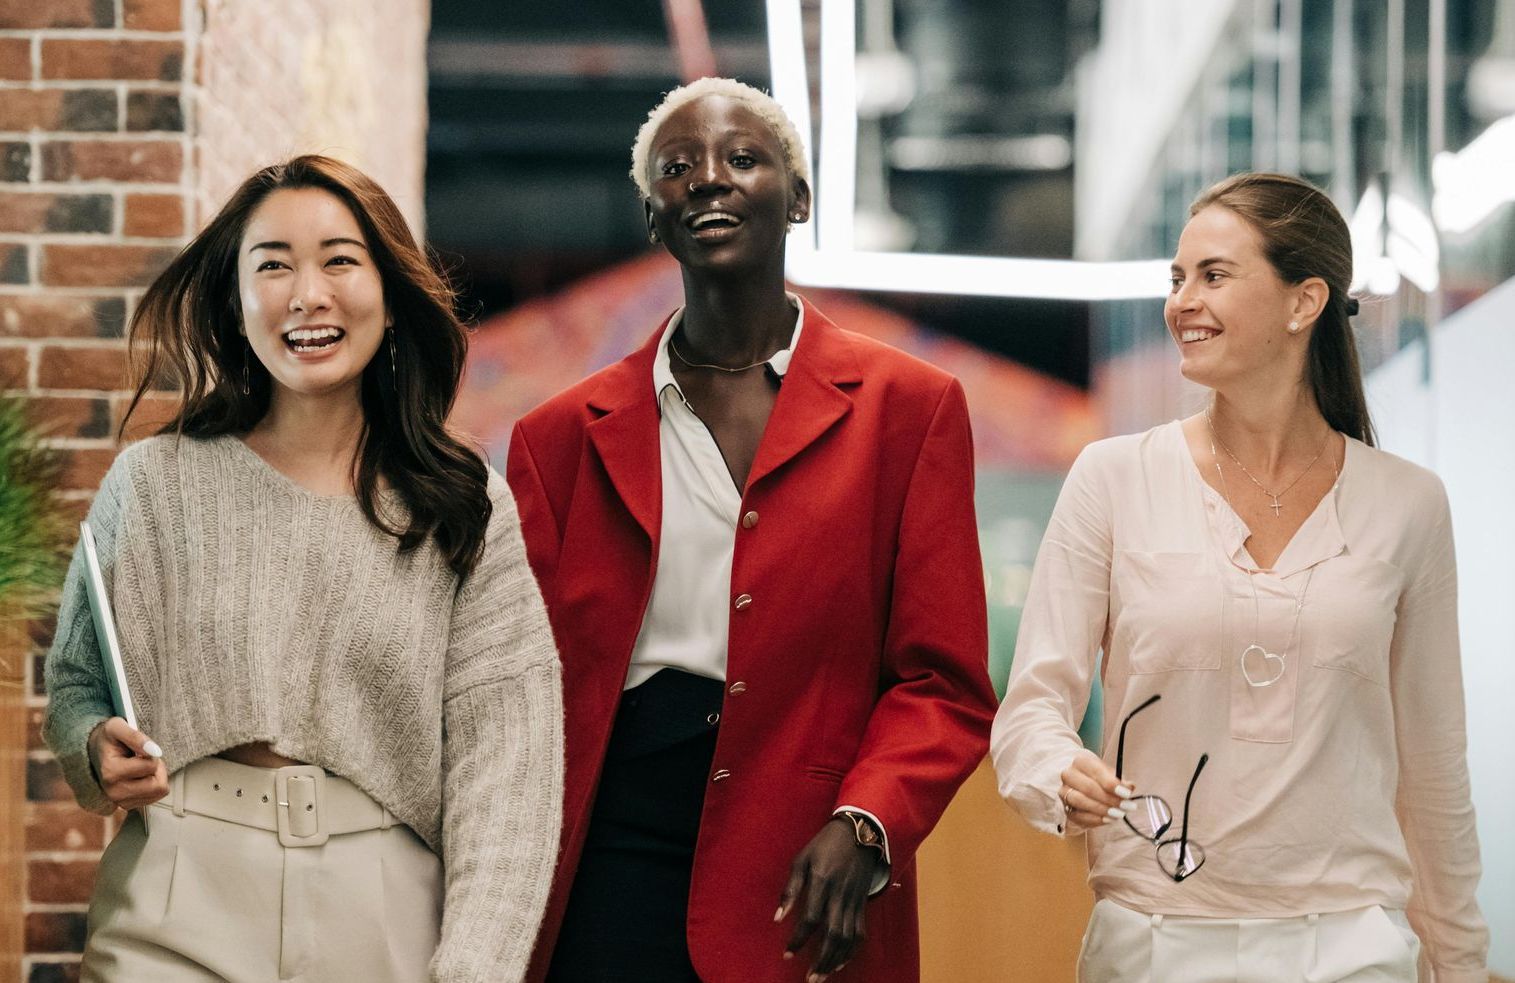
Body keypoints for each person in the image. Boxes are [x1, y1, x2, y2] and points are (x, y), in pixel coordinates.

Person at [506, 77, 997, 983]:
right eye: (677, 168)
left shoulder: (909, 409)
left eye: (741, 159)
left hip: (811, 857)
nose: (707, 180)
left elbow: (944, 681)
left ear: (798, 198)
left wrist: (869, 823)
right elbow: (519, 684)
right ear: (653, 215)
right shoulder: (559, 438)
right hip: (607, 850)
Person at [43, 155, 563, 983]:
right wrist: (94, 745)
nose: (305, 293)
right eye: (273, 264)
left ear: (389, 295)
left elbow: (509, 778)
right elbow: (77, 682)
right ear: (235, 301)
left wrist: (475, 967)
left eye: (339, 260)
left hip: (384, 915)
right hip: (180, 890)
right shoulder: (153, 484)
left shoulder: (463, 510)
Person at [991, 172, 1488, 982]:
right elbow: (1030, 712)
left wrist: (1459, 962)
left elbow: (1433, 767)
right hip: (1154, 939)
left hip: (1352, 946)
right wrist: (1055, 770)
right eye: (1176, 278)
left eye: (1213, 276)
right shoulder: (1111, 477)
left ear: (1303, 302)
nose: (1181, 300)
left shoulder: (1408, 504)